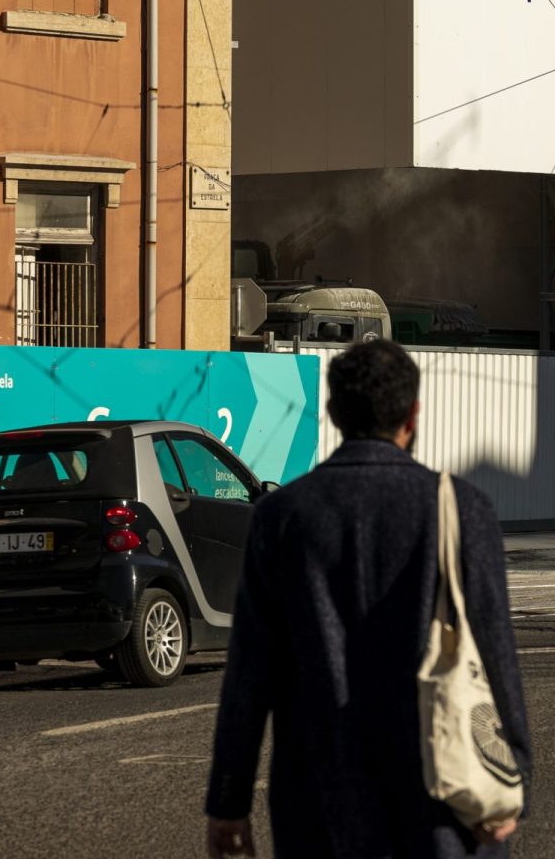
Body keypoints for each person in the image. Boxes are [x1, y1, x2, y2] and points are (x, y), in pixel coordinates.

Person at [205, 339, 532, 858]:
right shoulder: (461, 509)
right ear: (413, 412)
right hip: (443, 800)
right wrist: (513, 782)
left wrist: (228, 801)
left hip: (318, 803)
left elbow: (250, 674)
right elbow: (496, 656)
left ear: (333, 413)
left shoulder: (282, 516)